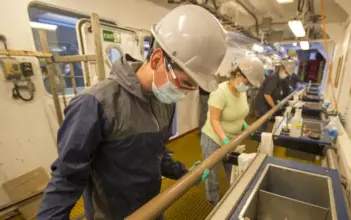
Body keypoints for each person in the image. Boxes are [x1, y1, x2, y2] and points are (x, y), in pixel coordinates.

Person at [37, 5, 227, 220]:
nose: (184, 92)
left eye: (192, 87)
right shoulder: (96, 103)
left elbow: (157, 152)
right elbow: (66, 177)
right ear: (156, 60)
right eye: (184, 82)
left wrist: (183, 173)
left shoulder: (165, 101)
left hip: (152, 207)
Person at [200, 58, 265, 205]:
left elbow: (239, 115)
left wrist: (245, 127)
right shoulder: (220, 92)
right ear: (238, 75)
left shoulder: (241, 92)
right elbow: (214, 120)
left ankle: (234, 199)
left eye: (250, 85)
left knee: (233, 170)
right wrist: (224, 140)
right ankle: (214, 202)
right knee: (212, 175)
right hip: (214, 139)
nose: (247, 87)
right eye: (247, 83)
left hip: (232, 140)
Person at [254, 61, 293, 133]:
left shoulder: (279, 78)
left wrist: (277, 101)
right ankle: (258, 137)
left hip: (266, 105)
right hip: (262, 105)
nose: (286, 75)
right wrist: (274, 107)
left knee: (264, 124)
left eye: (287, 74)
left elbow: (276, 92)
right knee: (262, 125)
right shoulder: (274, 78)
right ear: (281, 68)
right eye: (286, 72)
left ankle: (260, 136)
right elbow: (267, 95)